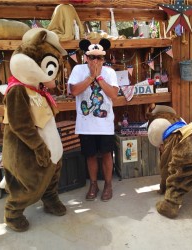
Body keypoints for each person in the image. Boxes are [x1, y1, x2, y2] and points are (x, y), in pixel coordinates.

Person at [68, 39, 118, 201]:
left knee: (106, 154)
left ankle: (108, 184)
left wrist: (99, 78)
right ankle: (94, 184)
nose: (95, 61)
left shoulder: (109, 72)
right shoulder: (77, 69)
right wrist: (91, 77)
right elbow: (74, 91)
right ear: (86, 57)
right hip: (86, 124)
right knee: (90, 155)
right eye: (91, 57)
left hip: (105, 124)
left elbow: (113, 94)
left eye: (99, 58)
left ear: (103, 59)